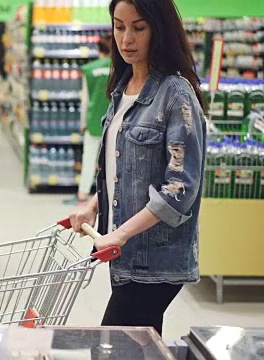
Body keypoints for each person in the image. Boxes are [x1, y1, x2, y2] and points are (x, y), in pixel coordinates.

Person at [68, 0, 207, 336]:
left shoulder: (176, 95)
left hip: (156, 261)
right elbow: (123, 169)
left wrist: (121, 233)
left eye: (138, 27)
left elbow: (179, 191)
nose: (126, 38)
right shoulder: (122, 88)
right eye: (119, 26)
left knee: (110, 346)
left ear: (158, 30)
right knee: (140, 346)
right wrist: (92, 207)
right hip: (125, 256)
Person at [64, 34, 113, 206]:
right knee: (112, 160)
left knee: (89, 158)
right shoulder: (121, 69)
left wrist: (83, 122)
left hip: (94, 120)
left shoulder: (89, 69)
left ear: (99, 49)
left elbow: (86, 99)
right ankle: (108, 195)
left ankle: (83, 194)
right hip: (114, 121)